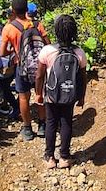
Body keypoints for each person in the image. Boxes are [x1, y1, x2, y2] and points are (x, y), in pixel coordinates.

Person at [35, 14, 88, 169]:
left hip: (51, 94)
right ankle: (64, 157)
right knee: (66, 123)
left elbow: (39, 75)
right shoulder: (79, 53)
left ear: (56, 32)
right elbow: (83, 78)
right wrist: (82, 96)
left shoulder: (47, 51)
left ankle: (50, 157)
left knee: (51, 123)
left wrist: (38, 93)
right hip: (69, 95)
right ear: (74, 32)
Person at [0, 0, 50, 141]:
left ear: (13, 11)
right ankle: (42, 126)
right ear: (27, 9)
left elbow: (2, 52)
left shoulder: (8, 28)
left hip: (21, 67)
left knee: (23, 97)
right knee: (40, 94)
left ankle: (27, 128)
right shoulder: (37, 25)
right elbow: (48, 44)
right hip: (39, 67)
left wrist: (15, 52)